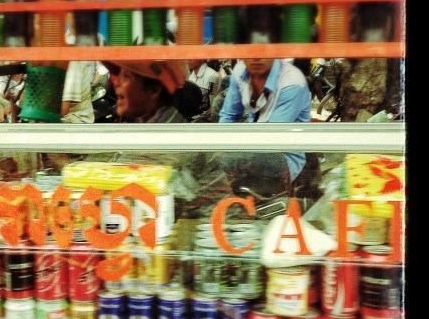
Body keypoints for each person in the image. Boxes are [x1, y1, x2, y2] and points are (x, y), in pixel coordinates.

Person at [103, 58, 231, 217]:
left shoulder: (171, 145)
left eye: (127, 76)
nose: (117, 82)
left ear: (153, 90)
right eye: (119, 75)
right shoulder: (149, 130)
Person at [217, 56, 312, 196]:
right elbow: (228, 116)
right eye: (250, 51)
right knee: (213, 160)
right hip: (254, 149)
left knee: (224, 162)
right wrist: (221, 145)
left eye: (263, 50)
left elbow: (272, 137)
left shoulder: (292, 81)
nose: (256, 57)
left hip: (282, 155)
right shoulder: (240, 72)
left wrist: (229, 152)